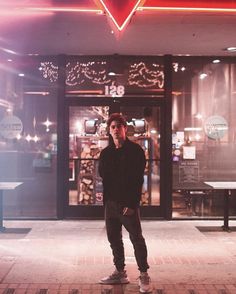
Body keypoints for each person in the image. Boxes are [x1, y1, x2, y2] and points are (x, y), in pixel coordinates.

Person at [98, 113, 151, 293]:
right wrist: (107, 203)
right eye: (112, 127)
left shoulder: (135, 151)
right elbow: (104, 176)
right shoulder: (106, 153)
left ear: (124, 129)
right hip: (111, 204)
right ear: (109, 130)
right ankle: (120, 272)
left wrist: (132, 203)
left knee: (136, 238)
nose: (115, 130)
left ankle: (144, 275)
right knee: (114, 239)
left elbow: (137, 180)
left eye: (118, 126)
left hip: (128, 204)